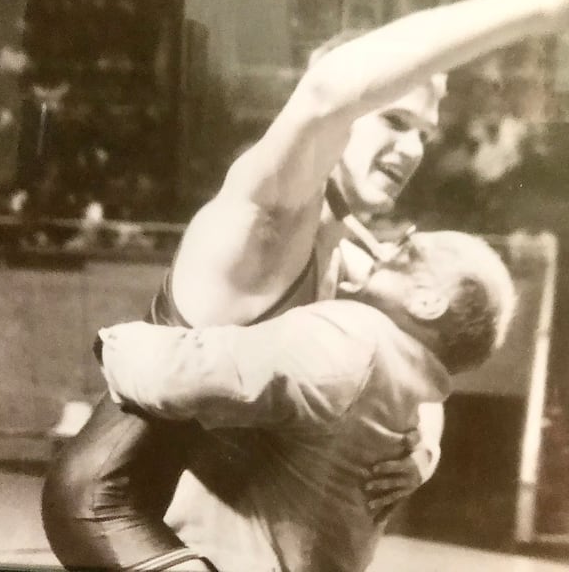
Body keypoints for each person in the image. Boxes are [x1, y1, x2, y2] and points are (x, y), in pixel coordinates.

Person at [42, 0, 569, 570]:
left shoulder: (352, 247)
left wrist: (422, 445)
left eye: (424, 134)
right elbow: (328, 89)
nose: (413, 150)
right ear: (347, 115)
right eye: (394, 121)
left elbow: (418, 360)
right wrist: (543, 0)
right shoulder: (268, 213)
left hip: (163, 509)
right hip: (107, 506)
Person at [96, 230, 516, 572]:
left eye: (408, 250)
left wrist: (114, 342)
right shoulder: (414, 382)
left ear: (427, 302)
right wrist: (425, 455)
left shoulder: (351, 339)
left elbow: (178, 376)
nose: (384, 248)